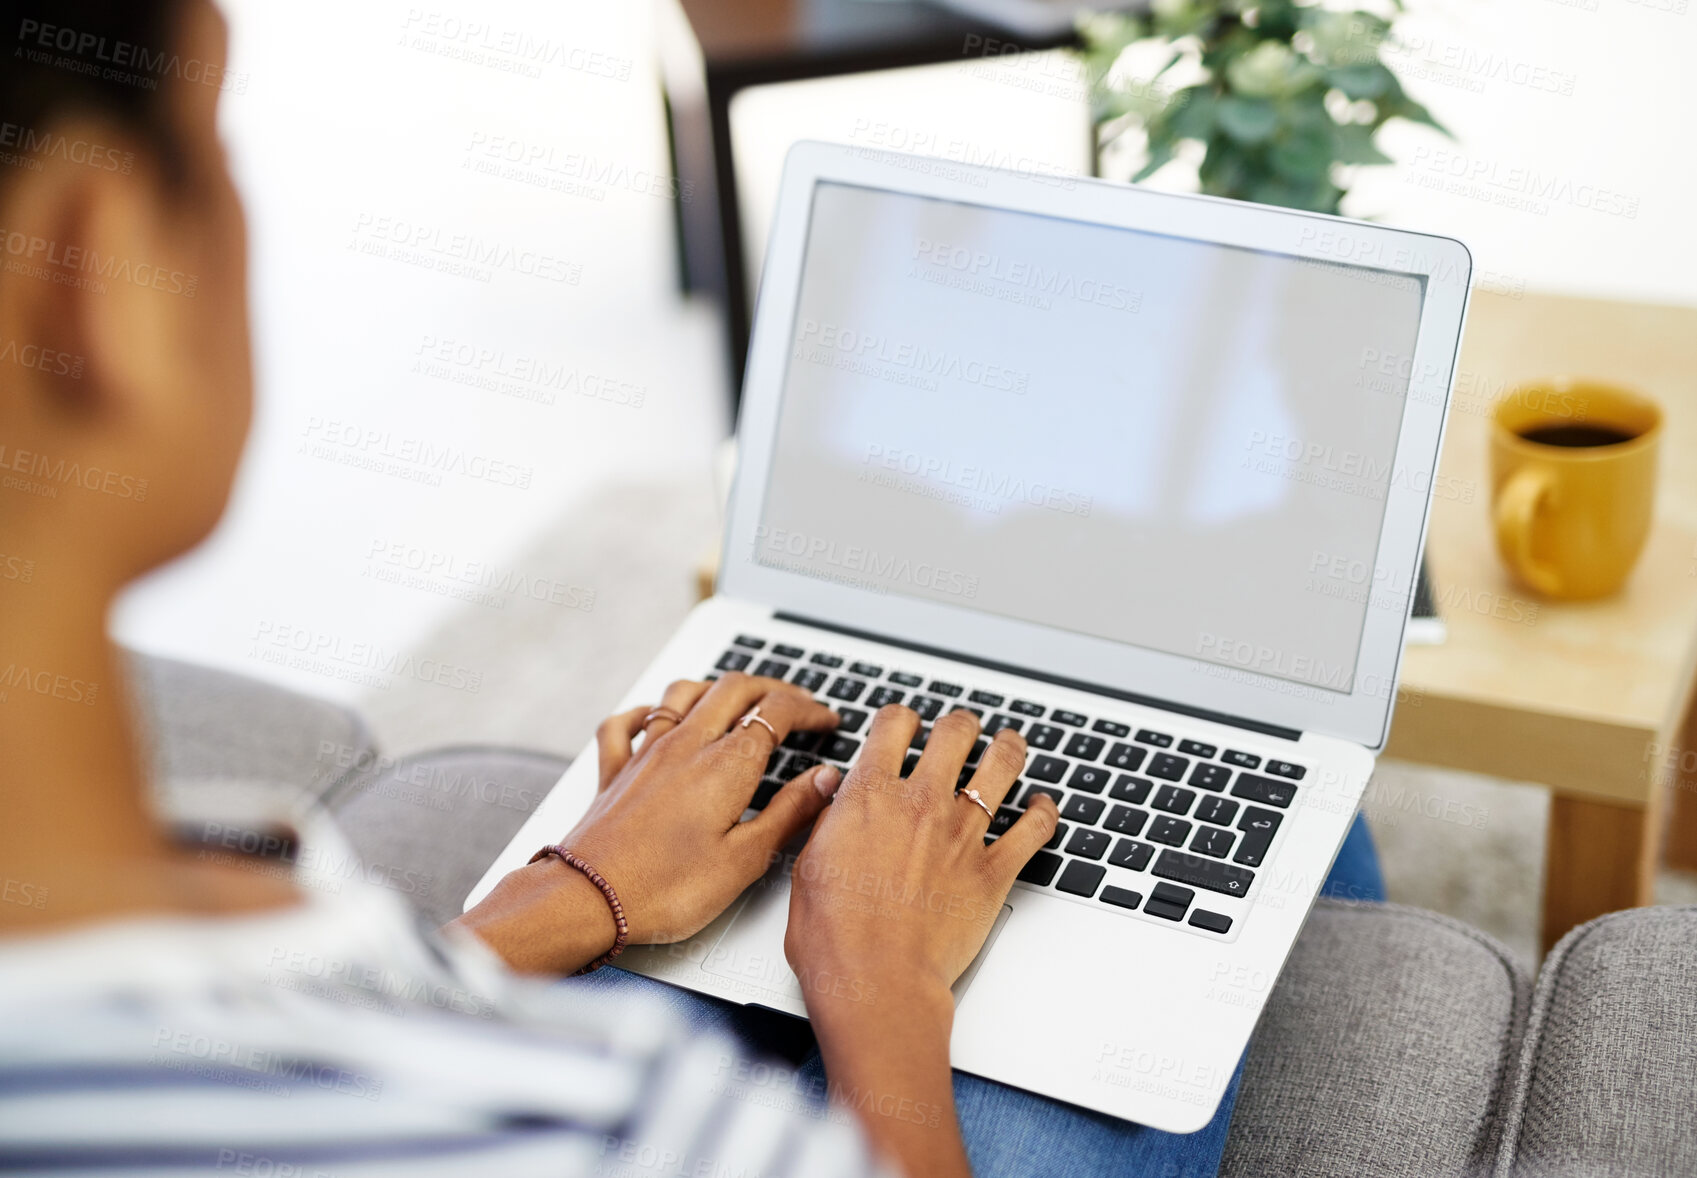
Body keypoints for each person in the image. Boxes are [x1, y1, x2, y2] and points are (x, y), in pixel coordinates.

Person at [0, 1, 1385, 1173]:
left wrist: (567, 893)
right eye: (213, 141)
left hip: (538, 924)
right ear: (96, 269)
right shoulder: (628, 1117)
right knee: (1314, 811)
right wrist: (879, 975)